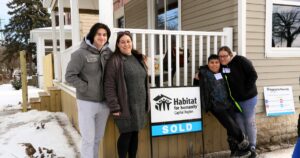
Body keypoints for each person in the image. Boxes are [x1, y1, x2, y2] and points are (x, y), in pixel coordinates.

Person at [65, 23, 112, 158]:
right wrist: (86, 87)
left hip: (104, 104)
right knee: (88, 140)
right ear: (92, 35)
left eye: (104, 35)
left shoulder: (108, 53)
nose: (102, 37)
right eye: (99, 34)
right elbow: (69, 76)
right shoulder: (80, 54)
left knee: (97, 139)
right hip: (87, 102)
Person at [194, 54, 251, 158]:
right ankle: (244, 144)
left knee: (231, 129)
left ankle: (235, 152)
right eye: (212, 62)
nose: (214, 65)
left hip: (228, 103)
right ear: (208, 63)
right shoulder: (203, 73)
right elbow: (197, 87)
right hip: (216, 106)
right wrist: (196, 79)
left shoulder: (223, 71)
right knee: (230, 125)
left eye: (217, 62)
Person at [104, 31, 150, 158]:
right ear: (118, 44)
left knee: (135, 133)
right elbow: (109, 85)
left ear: (132, 42)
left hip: (139, 105)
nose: (126, 44)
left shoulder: (137, 58)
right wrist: (114, 107)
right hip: (125, 105)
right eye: (122, 42)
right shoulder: (115, 61)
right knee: (126, 134)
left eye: (128, 41)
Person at [218, 46, 258, 158]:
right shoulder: (223, 66)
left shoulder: (240, 60)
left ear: (230, 54)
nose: (222, 58)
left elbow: (253, 75)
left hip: (248, 98)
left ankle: (253, 146)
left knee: (249, 122)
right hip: (235, 101)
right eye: (220, 56)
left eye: (224, 56)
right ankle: (245, 147)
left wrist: (245, 90)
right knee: (239, 124)